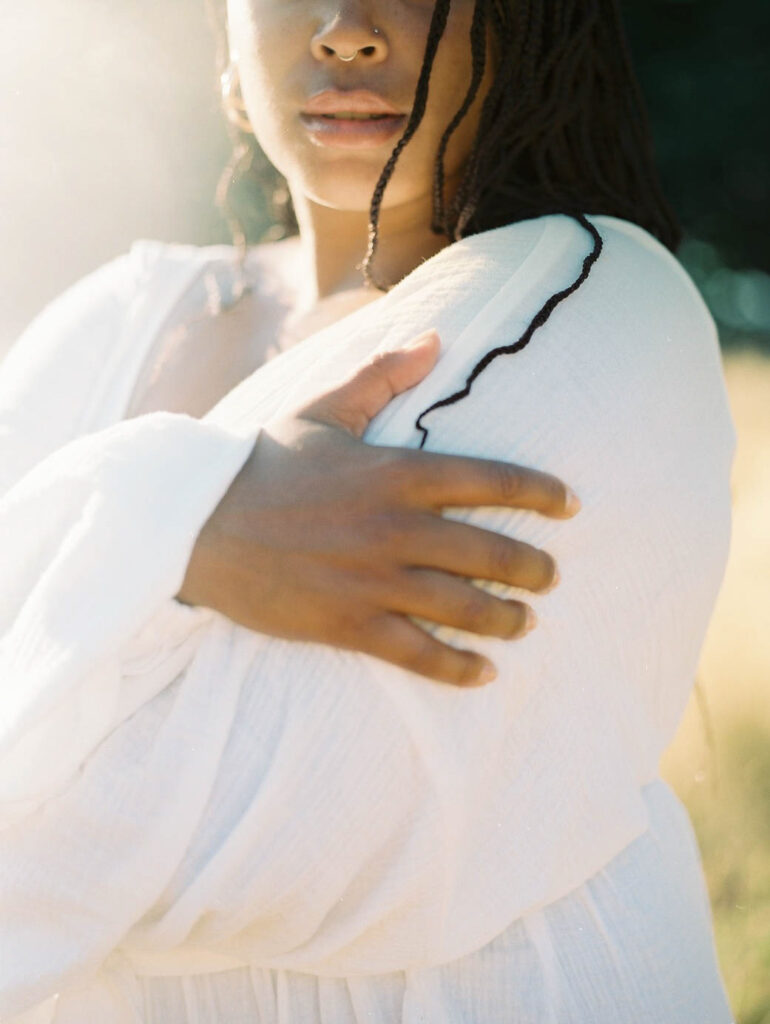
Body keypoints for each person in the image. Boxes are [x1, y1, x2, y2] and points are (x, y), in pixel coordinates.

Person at [0, 0, 737, 1021]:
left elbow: (246, 823)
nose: (345, 28)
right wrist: (185, 520)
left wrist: (111, 551)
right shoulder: (110, 321)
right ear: (224, 42)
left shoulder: (594, 306)